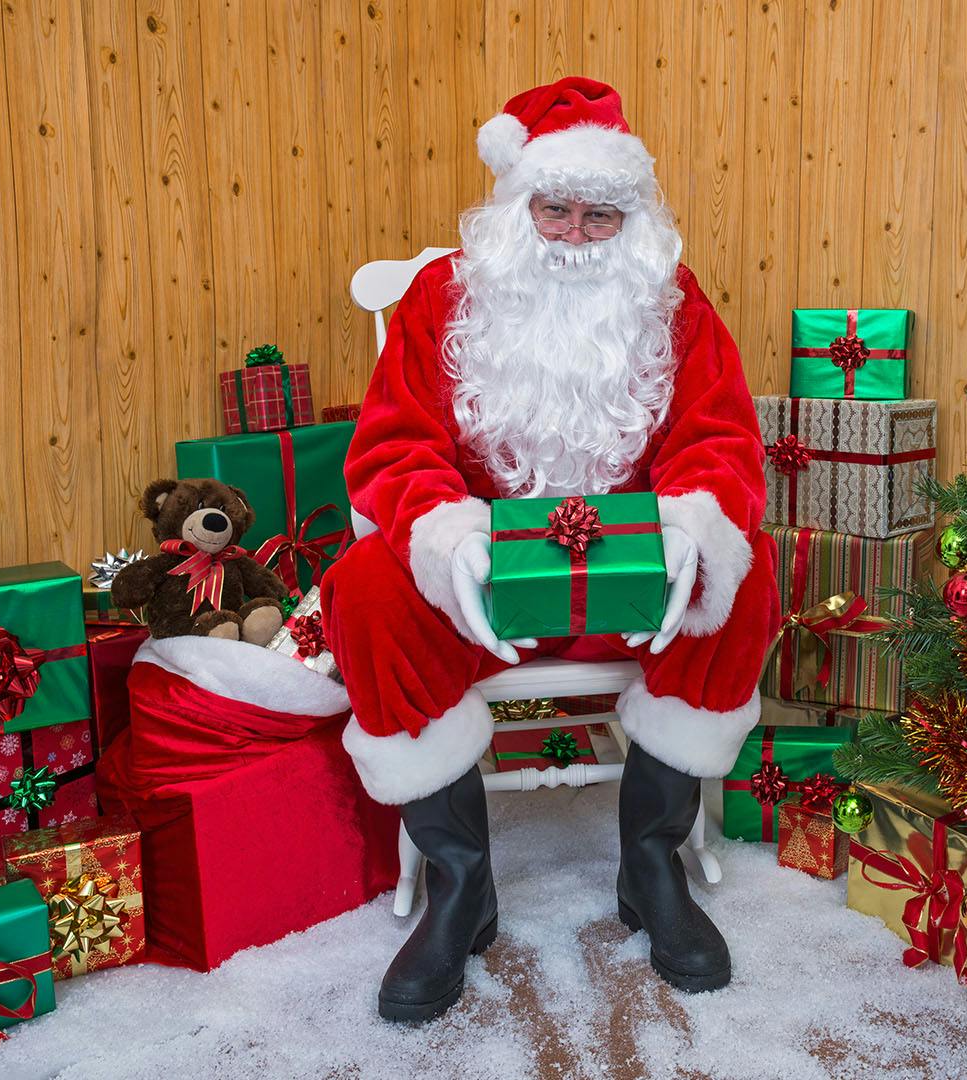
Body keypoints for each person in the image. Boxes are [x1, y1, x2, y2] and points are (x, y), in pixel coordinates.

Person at [322, 77, 779, 1023]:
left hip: (630, 589)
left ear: (634, 220)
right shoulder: (441, 298)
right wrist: (448, 540)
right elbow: (392, 446)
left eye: (600, 216)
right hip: (481, 597)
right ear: (516, 208)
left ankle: (650, 864)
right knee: (365, 581)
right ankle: (460, 885)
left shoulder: (674, 303)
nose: (574, 236)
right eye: (555, 209)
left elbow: (720, 436)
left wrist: (694, 523)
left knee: (745, 565)